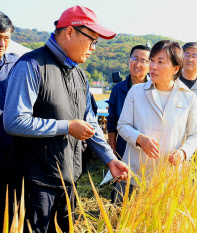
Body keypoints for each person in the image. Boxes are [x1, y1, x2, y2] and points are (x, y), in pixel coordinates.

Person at [3, 6, 129, 232]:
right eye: (92, 40)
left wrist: (110, 159)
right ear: (70, 32)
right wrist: (66, 127)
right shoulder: (31, 65)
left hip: (68, 181)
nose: (93, 49)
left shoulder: (80, 75)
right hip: (34, 185)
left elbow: (90, 122)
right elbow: (14, 120)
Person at [113, 40, 197, 204]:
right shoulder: (137, 91)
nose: (153, 66)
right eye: (152, 60)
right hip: (133, 174)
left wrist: (183, 152)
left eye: (160, 62)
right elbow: (122, 125)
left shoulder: (188, 97)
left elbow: (196, 134)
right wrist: (140, 139)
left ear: (176, 68)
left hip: (167, 178)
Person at [107, 44, 150, 159]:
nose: (137, 64)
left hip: (147, 151)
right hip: (123, 149)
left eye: (143, 60)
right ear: (129, 61)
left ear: (150, 65)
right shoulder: (118, 89)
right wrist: (112, 147)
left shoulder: (155, 89)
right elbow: (112, 121)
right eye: (135, 59)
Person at [0, 11, 18, 231]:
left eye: (6, 37)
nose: (2, 43)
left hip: (11, 150)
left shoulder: (16, 65)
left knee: (10, 207)